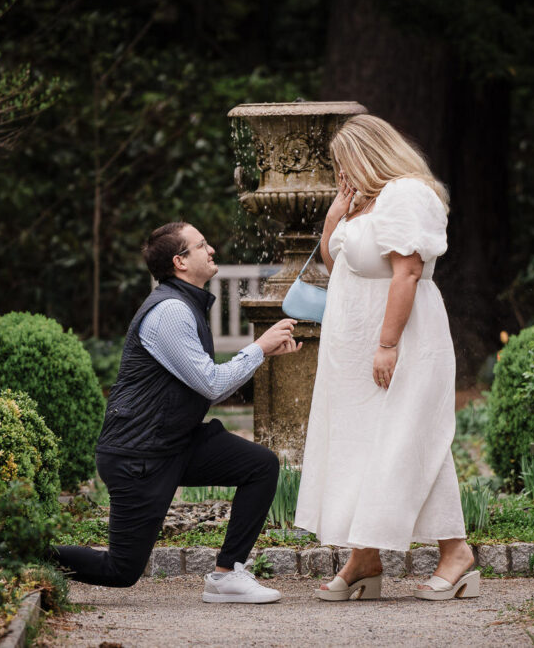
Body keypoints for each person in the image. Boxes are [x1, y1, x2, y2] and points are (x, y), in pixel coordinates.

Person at [53, 221, 301, 603]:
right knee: (121, 571)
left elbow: (205, 382)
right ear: (180, 262)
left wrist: (261, 353)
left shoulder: (186, 303)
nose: (212, 249)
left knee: (260, 465)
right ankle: (24, 557)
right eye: (202, 245)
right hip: (139, 455)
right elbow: (212, 384)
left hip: (175, 442)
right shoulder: (169, 311)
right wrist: (259, 348)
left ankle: (226, 575)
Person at [294, 115, 479, 601]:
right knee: (361, 444)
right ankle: (365, 558)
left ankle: (456, 553)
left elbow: (408, 271)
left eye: (344, 162)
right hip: (352, 342)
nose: (341, 172)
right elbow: (340, 265)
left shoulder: (406, 193)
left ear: (368, 153)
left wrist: (388, 344)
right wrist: (337, 211)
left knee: (407, 439)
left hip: (401, 337)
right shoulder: (362, 200)